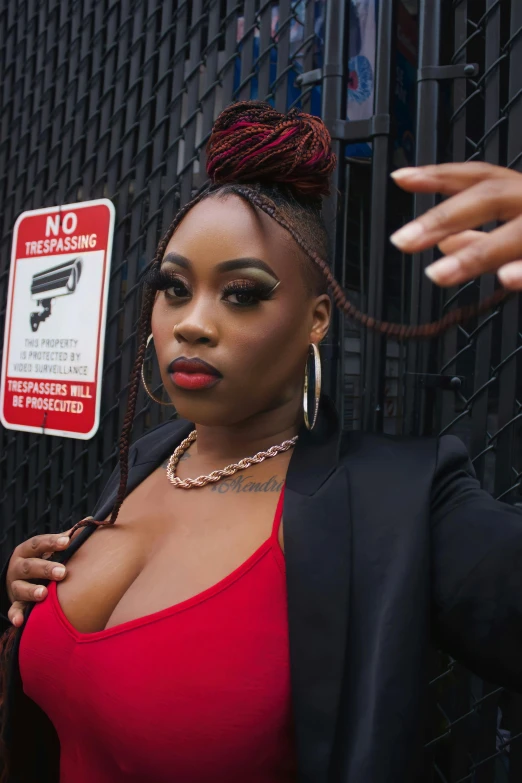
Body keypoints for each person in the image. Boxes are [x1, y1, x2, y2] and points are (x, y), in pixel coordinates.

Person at [1, 101, 522, 783]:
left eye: (241, 293)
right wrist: (34, 607)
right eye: (174, 288)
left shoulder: (402, 503)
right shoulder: (153, 456)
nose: (192, 323)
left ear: (316, 320)